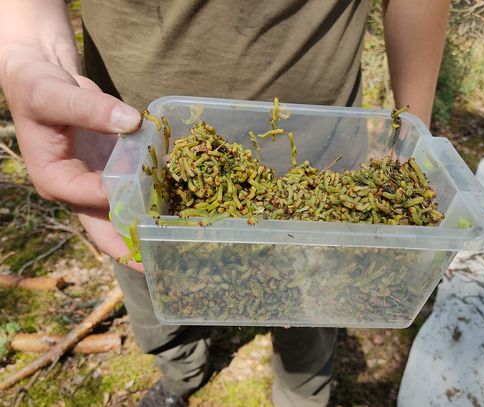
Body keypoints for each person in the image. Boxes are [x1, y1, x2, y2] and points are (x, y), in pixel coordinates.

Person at [0, 1, 450, 405]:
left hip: (325, 157)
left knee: (311, 318)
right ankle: (182, 378)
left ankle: (302, 395)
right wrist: (28, 52)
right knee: (162, 297)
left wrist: (412, 134)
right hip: (141, 163)